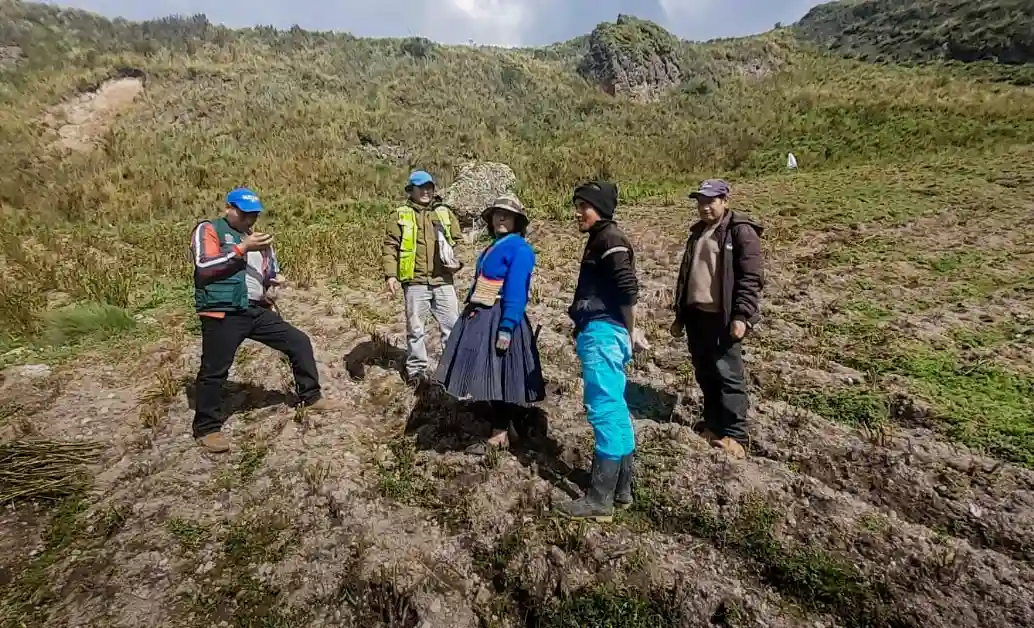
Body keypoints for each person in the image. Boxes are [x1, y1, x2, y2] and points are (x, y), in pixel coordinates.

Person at [190, 187, 344, 453]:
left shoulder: (257, 239)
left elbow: (267, 270)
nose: (250, 220)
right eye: (245, 214)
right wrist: (241, 248)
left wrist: (273, 279)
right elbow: (205, 266)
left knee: (298, 342)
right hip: (223, 310)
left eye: (254, 215)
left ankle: (311, 396)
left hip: (255, 309)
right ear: (229, 208)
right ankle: (207, 429)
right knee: (215, 370)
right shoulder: (209, 229)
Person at [556, 181, 649, 523]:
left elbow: (628, 287)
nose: (578, 212)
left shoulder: (609, 240)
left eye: (585, 206)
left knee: (604, 409)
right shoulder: (604, 238)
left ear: (602, 209)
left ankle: (599, 499)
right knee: (617, 408)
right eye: (577, 205)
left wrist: (631, 328)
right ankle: (622, 491)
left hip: (602, 333)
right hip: (609, 333)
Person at [433, 195, 546, 456]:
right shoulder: (493, 247)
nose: (501, 218)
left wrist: (507, 326)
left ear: (518, 220)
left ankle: (500, 431)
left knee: (500, 373)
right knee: (491, 372)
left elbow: (517, 291)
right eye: (497, 214)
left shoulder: (520, 249)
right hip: (482, 312)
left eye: (506, 214)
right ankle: (505, 426)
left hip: (500, 315)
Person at [670, 179, 764, 459]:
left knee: (728, 376)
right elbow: (687, 276)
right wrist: (680, 315)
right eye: (700, 201)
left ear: (725, 200)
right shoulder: (698, 232)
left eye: (710, 201)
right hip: (697, 316)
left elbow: (751, 278)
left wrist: (742, 316)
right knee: (706, 373)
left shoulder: (740, 232)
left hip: (722, 318)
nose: (704, 207)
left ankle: (736, 436)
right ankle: (713, 425)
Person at [382, 170, 463, 387]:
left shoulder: (445, 212)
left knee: (452, 327)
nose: (426, 191)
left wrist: (458, 262)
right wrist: (390, 274)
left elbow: (458, 242)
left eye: (429, 187)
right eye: (421, 187)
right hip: (415, 282)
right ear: (412, 190)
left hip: (443, 281)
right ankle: (416, 371)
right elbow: (390, 246)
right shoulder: (399, 214)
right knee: (415, 329)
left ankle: (452, 370)